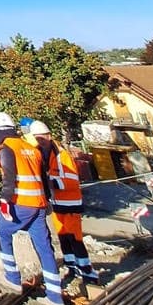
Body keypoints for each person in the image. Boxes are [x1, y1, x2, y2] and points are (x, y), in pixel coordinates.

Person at [0, 112, 65, 305]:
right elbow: (43, 175)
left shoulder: (6, 149)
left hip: (21, 203)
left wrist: (5, 201)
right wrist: (48, 199)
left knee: (0, 230)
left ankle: (12, 278)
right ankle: (55, 296)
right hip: (39, 205)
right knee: (44, 248)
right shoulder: (31, 148)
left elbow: (9, 176)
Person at [29, 120, 101, 285]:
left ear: (49, 136)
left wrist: (48, 182)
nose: (40, 142)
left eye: (42, 138)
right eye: (36, 139)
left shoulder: (62, 155)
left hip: (71, 204)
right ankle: (72, 267)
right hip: (56, 204)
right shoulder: (40, 154)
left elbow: (71, 180)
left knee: (75, 239)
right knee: (63, 238)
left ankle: (88, 272)